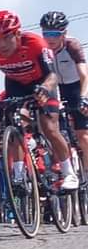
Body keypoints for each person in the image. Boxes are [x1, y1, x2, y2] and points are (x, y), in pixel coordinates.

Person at [0, 9, 78, 192]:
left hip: (42, 82)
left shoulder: (36, 44)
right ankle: (19, 176)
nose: (1, 44)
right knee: (15, 126)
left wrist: (44, 89)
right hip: (16, 85)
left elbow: (52, 76)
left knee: (49, 127)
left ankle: (69, 173)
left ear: (18, 34)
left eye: (7, 37)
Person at [39, 10, 88, 172]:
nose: (50, 38)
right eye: (46, 34)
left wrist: (84, 98)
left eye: (55, 34)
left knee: (83, 136)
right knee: (50, 128)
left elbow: (84, 75)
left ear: (64, 33)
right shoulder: (41, 48)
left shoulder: (72, 45)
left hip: (76, 86)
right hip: (54, 88)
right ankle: (62, 165)